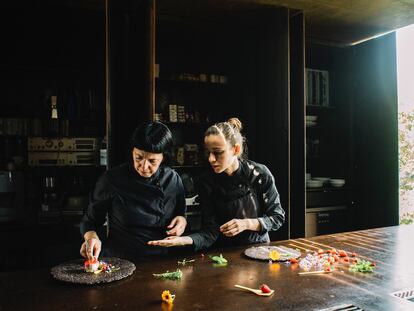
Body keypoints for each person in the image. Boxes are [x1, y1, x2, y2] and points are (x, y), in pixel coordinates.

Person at [148, 117, 285, 251]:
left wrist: (246, 223)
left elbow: (277, 217)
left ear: (236, 150)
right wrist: (185, 240)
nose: (211, 159)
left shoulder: (259, 174)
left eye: (218, 153)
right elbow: (211, 232)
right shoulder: (206, 182)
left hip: (259, 250)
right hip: (223, 255)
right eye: (208, 153)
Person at [80, 121, 187, 260]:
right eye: (139, 157)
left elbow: (181, 214)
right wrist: (91, 238)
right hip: (121, 259)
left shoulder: (172, 179)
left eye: (152, 161)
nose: (143, 166)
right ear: (132, 151)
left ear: (163, 158)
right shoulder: (112, 179)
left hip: (162, 260)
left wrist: (182, 221)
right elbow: (90, 222)